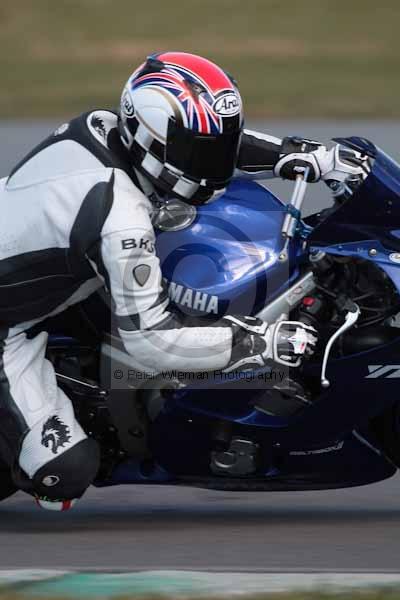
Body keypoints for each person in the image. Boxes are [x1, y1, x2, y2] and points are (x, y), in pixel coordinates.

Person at [0, 52, 369, 511]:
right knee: (65, 470)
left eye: (217, 147)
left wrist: (305, 156)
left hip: (34, 265)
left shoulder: (103, 125)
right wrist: (260, 343)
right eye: (201, 153)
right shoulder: (121, 219)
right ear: (151, 142)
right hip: (8, 327)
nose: (216, 164)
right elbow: (153, 342)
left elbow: (218, 145)